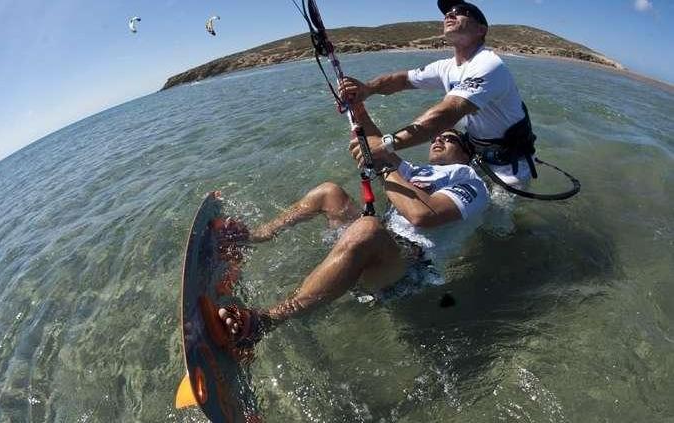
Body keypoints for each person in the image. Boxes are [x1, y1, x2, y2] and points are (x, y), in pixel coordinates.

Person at [214, 101, 489, 349]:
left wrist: (382, 167)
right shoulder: (416, 171)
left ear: (465, 154)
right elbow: (376, 144)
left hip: (409, 268)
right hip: (382, 240)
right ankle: (254, 237)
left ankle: (266, 321)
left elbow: (422, 216)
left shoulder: (470, 182)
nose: (438, 137)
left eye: (449, 137)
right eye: (436, 135)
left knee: (367, 228)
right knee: (329, 192)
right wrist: (357, 105)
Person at [339, 0, 538, 186]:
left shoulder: (488, 65)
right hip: (477, 156)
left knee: (500, 222)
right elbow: (402, 80)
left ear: (481, 30)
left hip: (511, 167)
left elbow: (446, 114)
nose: (450, 15)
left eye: (461, 12)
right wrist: (368, 89)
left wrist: (385, 145)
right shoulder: (447, 67)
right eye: (448, 13)